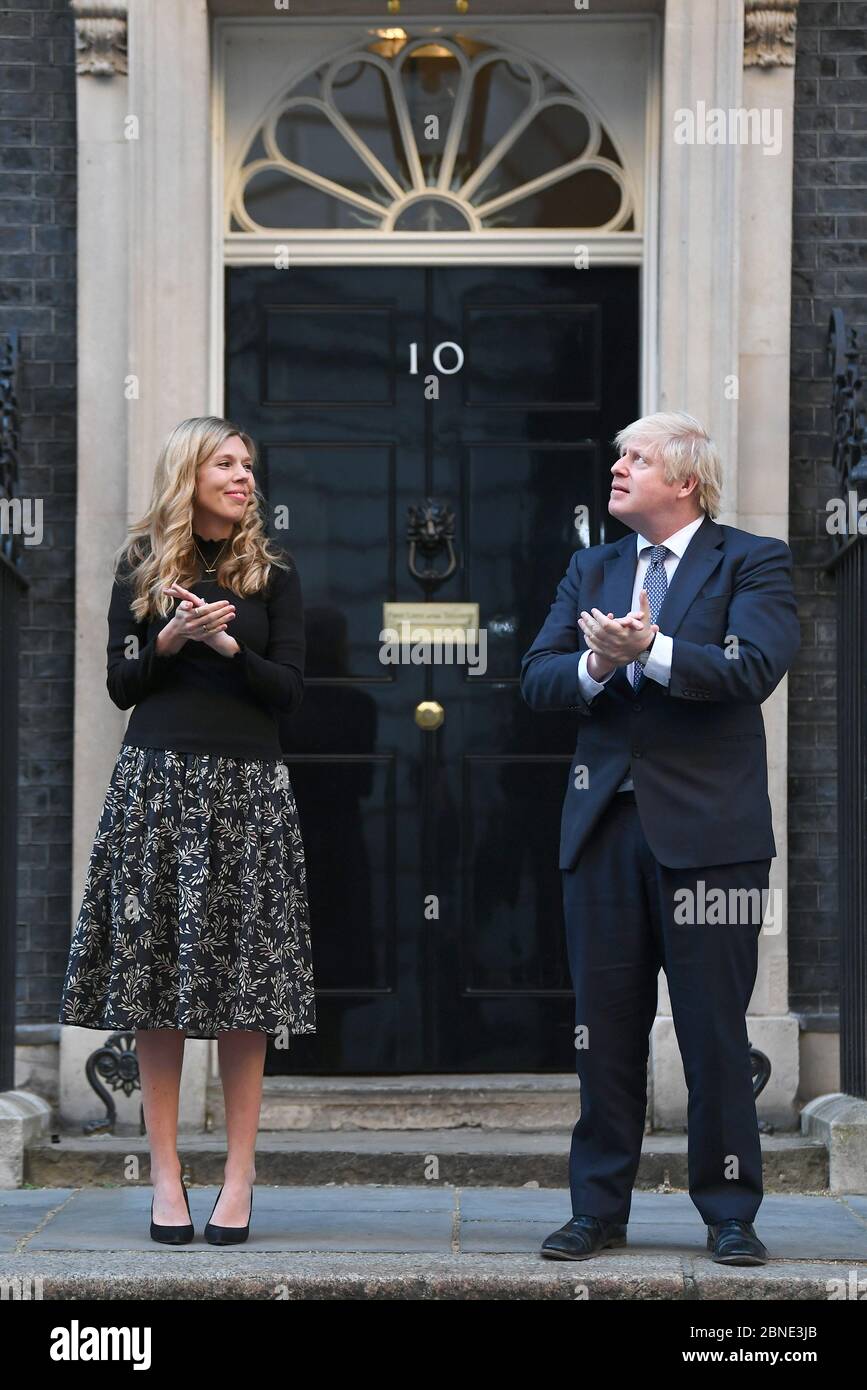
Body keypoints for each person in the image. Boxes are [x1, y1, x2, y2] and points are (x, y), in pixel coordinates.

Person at [520, 411, 800, 1266]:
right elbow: (537, 678)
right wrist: (599, 665)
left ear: (683, 481)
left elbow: (752, 667)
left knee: (713, 1030)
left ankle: (728, 1213)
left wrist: (656, 649)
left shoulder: (752, 559)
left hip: (712, 839)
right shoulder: (590, 566)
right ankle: (596, 1210)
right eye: (616, 456)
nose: (616, 468)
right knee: (603, 1030)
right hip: (603, 828)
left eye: (635, 459)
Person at [58, 415, 315, 1246]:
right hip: (159, 784)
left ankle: (238, 1175)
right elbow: (120, 686)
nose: (245, 477)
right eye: (228, 464)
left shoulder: (272, 573)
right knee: (154, 985)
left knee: (247, 992)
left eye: (248, 464)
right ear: (190, 475)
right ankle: (165, 1176)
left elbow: (290, 691)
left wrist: (230, 644)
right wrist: (169, 637)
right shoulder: (141, 568)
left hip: (247, 790)